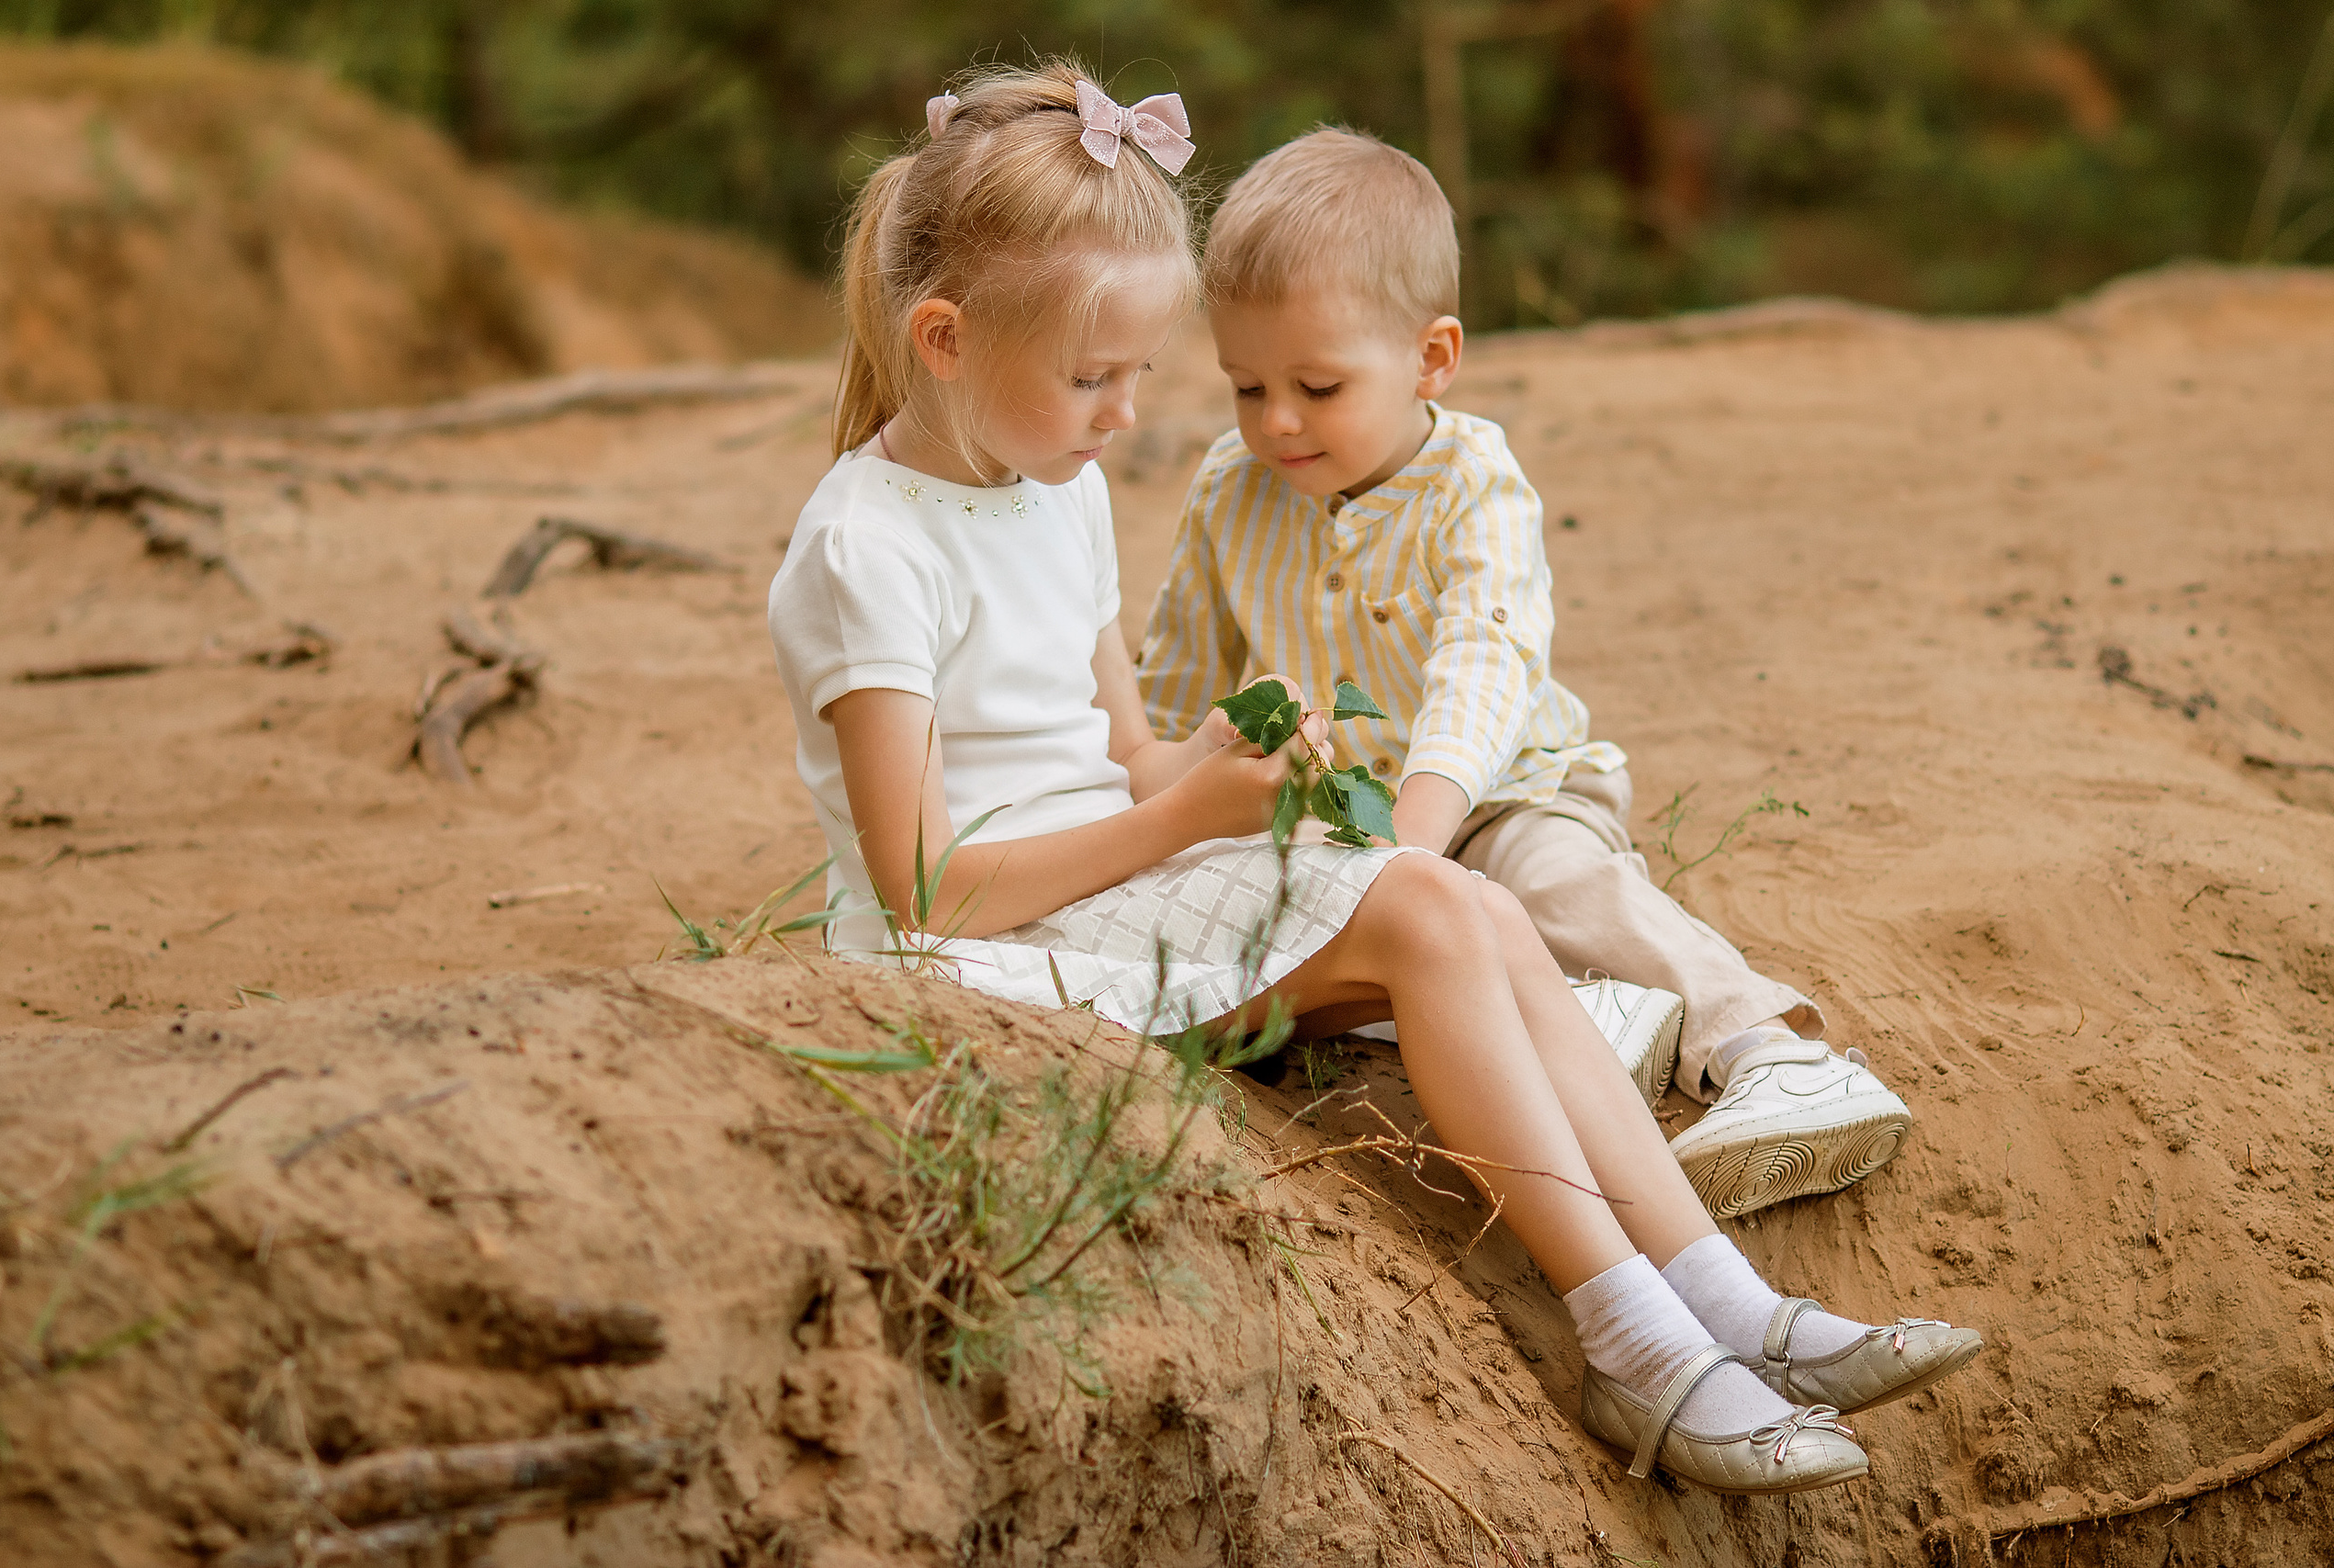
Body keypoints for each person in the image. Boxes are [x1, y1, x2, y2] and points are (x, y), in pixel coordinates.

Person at [767, 60, 1979, 1496]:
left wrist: (1221, 759)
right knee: (1421, 907)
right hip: (977, 949)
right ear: (948, 339)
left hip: (1108, 881)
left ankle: (1731, 1307)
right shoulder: (868, 549)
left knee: (1467, 907)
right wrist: (1177, 812)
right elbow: (924, 887)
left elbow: (1126, 749)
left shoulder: (1060, 488)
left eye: (1142, 374)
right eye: (1095, 377)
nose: (1127, 414)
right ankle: (1636, 1341)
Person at [1140, 127, 1915, 1223]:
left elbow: (1481, 668)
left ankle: (1768, 1050)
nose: (1275, 422)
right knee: (1262, 912)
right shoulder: (1229, 490)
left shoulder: (1474, 482)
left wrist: (1416, 840)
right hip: (1338, 828)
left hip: (1501, 791)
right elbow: (1172, 682)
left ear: (1431, 358)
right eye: (1243, 385)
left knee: (1552, 880)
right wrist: (1164, 793)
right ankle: (1589, 1017)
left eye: (1317, 385)